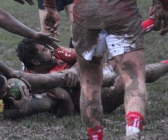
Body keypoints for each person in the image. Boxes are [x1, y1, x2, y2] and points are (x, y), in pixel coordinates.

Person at [41, 0, 168, 140]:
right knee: (133, 78)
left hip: (85, 17)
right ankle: (132, 133)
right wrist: (165, 4)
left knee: (90, 84)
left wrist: (50, 7)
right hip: (122, 15)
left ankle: (96, 138)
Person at [15, 38, 168, 114]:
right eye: (44, 50)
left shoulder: (57, 54)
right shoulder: (37, 85)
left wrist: (75, 71)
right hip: (100, 99)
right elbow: (65, 112)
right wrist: (65, 97)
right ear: (35, 61)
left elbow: (87, 57)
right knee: (139, 74)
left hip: (98, 76)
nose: (51, 50)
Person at [0, 47, 76, 121]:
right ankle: (64, 97)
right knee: (44, 104)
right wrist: (21, 110)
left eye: (6, 84)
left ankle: (74, 74)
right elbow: (7, 116)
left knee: (46, 80)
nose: (9, 87)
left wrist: (9, 72)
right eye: (4, 91)